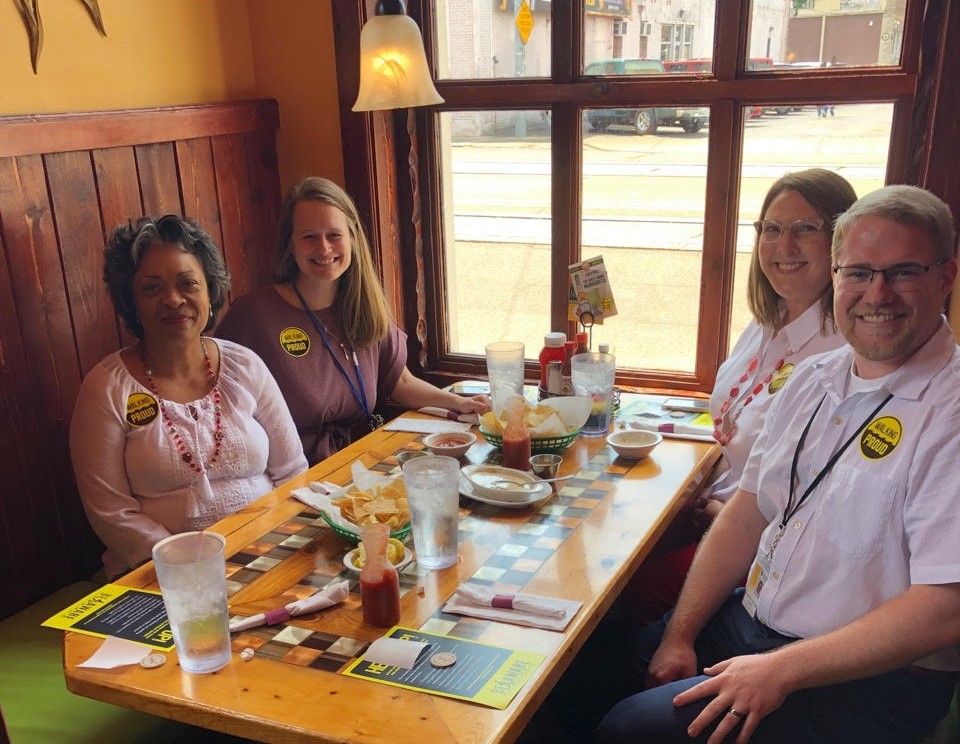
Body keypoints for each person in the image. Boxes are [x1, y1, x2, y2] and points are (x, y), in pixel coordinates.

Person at [591, 184, 960, 743]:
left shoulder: (950, 411)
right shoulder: (813, 379)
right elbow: (745, 513)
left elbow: (944, 608)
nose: (877, 293)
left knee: (629, 728)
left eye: (903, 271)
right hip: (757, 622)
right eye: (858, 272)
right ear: (836, 277)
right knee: (594, 672)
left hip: (868, 677)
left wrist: (781, 670)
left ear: (946, 276)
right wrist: (681, 635)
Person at [619, 168, 857, 625]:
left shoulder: (841, 353)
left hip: (753, 539)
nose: (784, 246)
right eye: (772, 229)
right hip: (710, 506)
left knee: (634, 591)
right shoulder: (767, 323)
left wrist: (712, 510)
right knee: (610, 542)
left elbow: (809, 501)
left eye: (806, 229)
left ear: (840, 242)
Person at [70, 215, 307, 579]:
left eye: (187, 283)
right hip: (160, 574)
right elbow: (110, 512)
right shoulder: (106, 388)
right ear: (131, 303)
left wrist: (274, 545)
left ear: (209, 292)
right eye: (151, 288)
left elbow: (292, 471)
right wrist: (191, 566)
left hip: (267, 554)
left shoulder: (246, 365)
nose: (173, 299)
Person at [216, 176, 490, 465]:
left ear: (353, 239)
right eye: (309, 237)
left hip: (359, 463)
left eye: (334, 235)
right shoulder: (253, 316)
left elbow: (401, 381)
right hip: (290, 472)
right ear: (290, 245)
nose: (324, 249)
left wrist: (461, 403)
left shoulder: (363, 305)